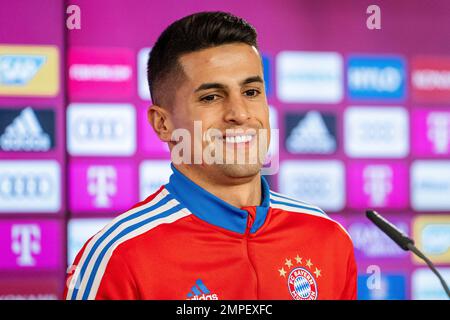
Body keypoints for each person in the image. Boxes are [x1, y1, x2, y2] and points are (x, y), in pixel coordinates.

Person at [65, 11, 357, 300]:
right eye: (211, 97)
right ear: (163, 124)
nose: (240, 113)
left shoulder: (327, 237)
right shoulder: (119, 258)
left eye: (251, 92)